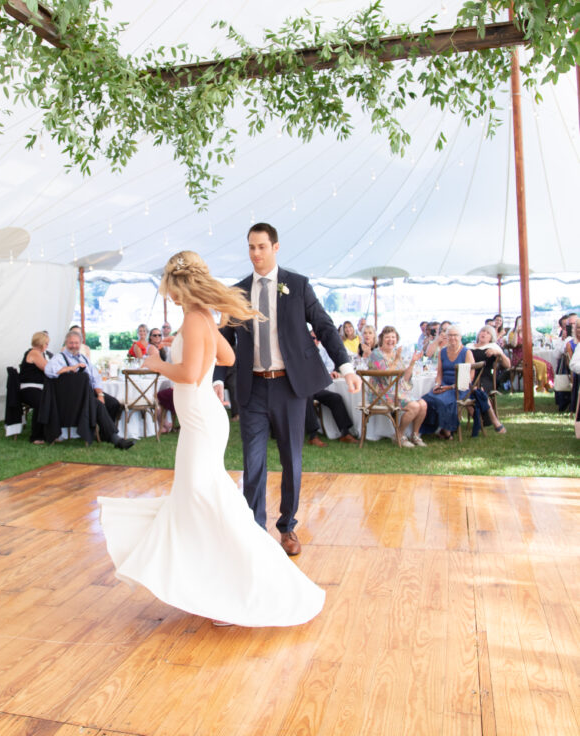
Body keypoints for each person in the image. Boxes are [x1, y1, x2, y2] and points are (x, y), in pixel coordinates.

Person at [98, 250, 325, 627]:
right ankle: (213, 582)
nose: (168, 295)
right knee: (197, 500)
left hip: (201, 422)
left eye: (169, 287)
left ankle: (234, 585)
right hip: (204, 418)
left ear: (179, 285)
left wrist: (157, 363)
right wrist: (201, 340)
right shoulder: (200, 318)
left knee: (203, 501)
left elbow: (187, 374)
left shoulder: (193, 319)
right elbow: (229, 358)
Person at [222, 223, 360, 557]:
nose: (256, 254)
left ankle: (288, 527)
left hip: (290, 386)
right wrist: (215, 379)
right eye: (251, 247)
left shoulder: (297, 286)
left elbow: (325, 327)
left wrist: (346, 366)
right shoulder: (237, 292)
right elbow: (223, 339)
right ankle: (254, 531)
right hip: (251, 387)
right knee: (252, 461)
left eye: (262, 247)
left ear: (276, 247)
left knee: (291, 460)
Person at [45, 331, 134, 449]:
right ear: (66, 343)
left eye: (76, 343)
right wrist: (71, 368)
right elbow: (48, 371)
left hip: (88, 393)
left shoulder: (84, 359)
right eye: (71, 343)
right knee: (97, 405)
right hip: (71, 397)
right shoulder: (59, 358)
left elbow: (95, 378)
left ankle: (105, 434)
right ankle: (116, 439)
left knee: (113, 403)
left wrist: (100, 394)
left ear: (80, 344)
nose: (73, 345)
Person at [367, 326, 427, 447]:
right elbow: (387, 376)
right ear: (381, 339)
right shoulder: (376, 354)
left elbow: (404, 378)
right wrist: (397, 359)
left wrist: (412, 362)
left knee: (423, 404)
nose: (391, 340)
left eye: (393, 337)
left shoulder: (395, 354)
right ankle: (399, 435)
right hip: (381, 394)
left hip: (396, 392)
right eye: (387, 337)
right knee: (414, 406)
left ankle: (415, 435)